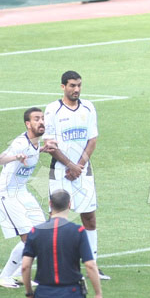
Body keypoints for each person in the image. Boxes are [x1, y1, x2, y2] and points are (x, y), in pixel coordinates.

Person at [43, 71, 109, 280]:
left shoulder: (88, 107)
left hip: (83, 171)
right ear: (63, 86)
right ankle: (50, 267)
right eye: (72, 85)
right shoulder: (53, 110)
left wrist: (78, 166)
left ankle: (92, 266)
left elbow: (93, 140)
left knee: (89, 216)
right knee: (57, 219)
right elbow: (50, 145)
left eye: (79, 85)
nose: (77, 89)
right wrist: (70, 165)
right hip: (60, 171)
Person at [0, 107, 48, 289]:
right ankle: (4, 276)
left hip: (22, 192)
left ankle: (18, 275)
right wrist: (14, 157)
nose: (41, 122)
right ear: (27, 124)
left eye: (42, 118)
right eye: (36, 119)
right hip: (7, 194)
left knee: (42, 234)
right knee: (30, 238)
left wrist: (42, 149)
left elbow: (32, 152)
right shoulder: (20, 143)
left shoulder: (35, 143)